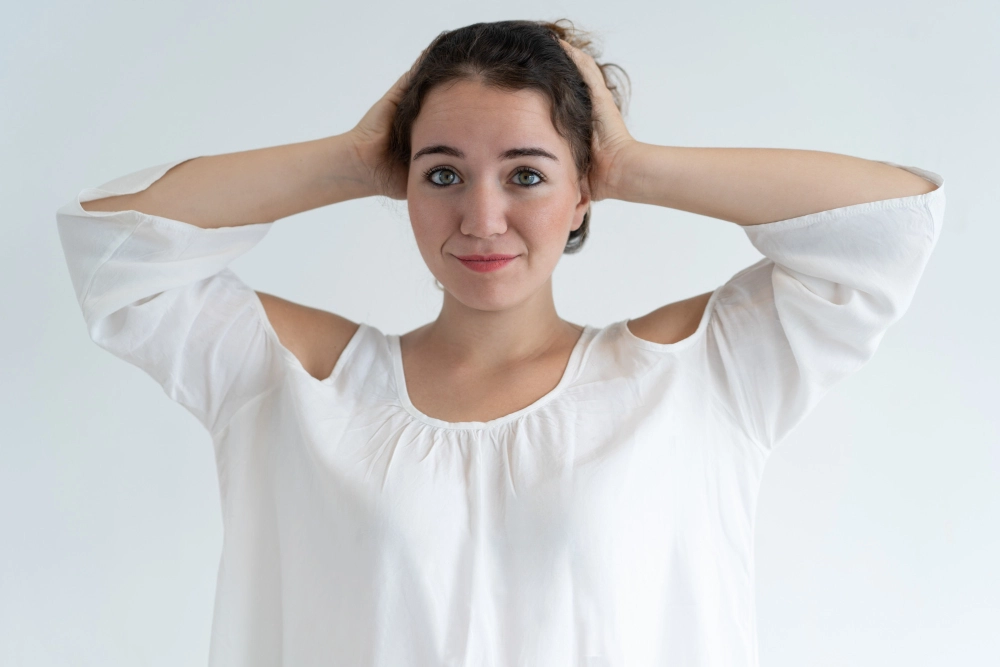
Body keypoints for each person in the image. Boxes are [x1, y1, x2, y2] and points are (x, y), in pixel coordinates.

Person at [56, 18, 945, 667]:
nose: (483, 218)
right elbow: (116, 251)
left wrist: (632, 163)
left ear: (583, 192)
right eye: (442, 173)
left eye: (527, 173)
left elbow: (888, 225)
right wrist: (355, 155)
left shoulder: (695, 377)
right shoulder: (300, 386)